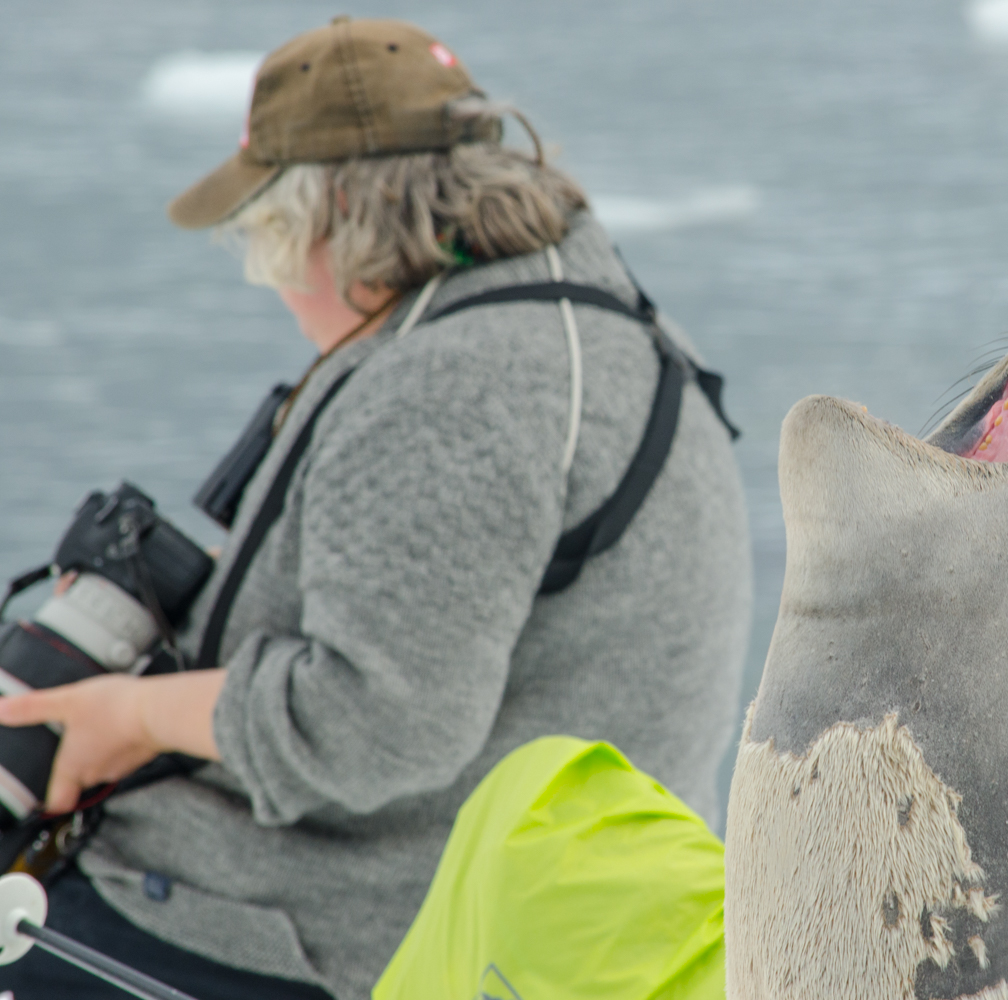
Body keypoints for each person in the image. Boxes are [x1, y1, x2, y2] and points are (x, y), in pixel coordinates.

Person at [0, 17, 751, 1000]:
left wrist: (130, 712)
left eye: (264, 240)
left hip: (362, 928)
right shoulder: (593, 323)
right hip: (558, 889)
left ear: (342, 214)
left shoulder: (449, 396)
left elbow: (377, 724)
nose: (271, 284)